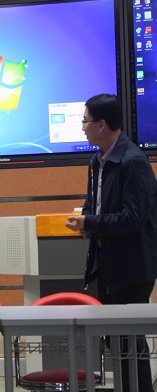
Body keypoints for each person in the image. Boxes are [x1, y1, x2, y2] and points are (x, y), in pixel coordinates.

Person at [65, 93, 157, 392]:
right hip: (105, 263)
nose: (82, 128)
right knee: (113, 339)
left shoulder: (133, 161)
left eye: (85, 121)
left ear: (102, 124)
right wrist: (86, 220)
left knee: (129, 341)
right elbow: (93, 204)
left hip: (133, 266)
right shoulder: (97, 161)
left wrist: (91, 223)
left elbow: (133, 218)